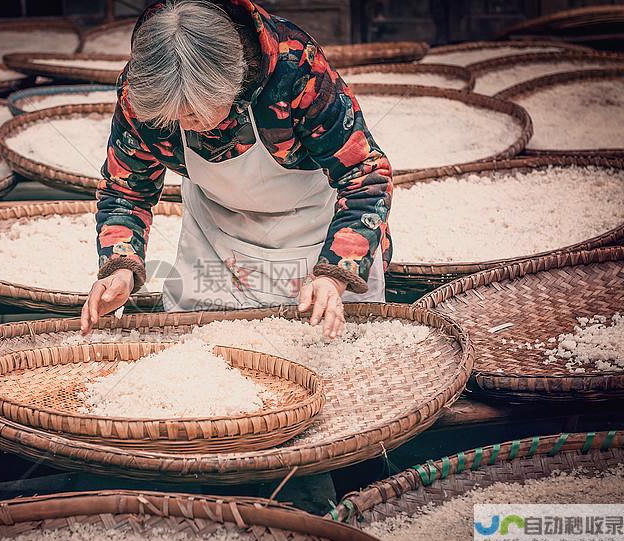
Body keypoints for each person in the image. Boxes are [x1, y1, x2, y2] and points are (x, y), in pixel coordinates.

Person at [81, 0, 392, 338]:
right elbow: (125, 191)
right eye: (175, 117)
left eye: (197, 112)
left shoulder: (294, 68)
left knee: (329, 353)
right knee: (209, 355)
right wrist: (121, 266)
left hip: (315, 231)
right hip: (218, 235)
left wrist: (334, 274)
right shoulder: (143, 91)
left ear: (234, 79)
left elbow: (364, 175)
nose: (190, 126)